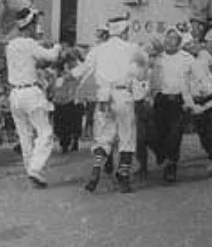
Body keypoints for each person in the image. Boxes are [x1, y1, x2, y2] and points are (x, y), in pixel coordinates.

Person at [81, 14, 148, 194]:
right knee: (126, 135)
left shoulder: (98, 49)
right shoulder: (132, 48)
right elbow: (144, 65)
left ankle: (96, 169)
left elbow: (82, 69)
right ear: (124, 30)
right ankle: (123, 176)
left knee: (104, 135)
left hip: (103, 95)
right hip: (122, 94)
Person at [5, 7, 61, 188]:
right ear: (30, 26)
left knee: (24, 135)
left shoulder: (10, 45)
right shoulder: (29, 44)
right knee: (45, 132)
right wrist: (57, 46)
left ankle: (30, 168)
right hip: (30, 92)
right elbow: (51, 57)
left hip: (14, 93)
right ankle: (35, 169)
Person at [151, 27, 198, 183]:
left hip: (178, 101)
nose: (169, 41)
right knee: (158, 134)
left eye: (173, 39)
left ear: (179, 42)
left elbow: (196, 78)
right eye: (168, 38)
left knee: (175, 134)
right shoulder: (158, 58)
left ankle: (171, 165)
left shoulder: (187, 58)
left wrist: (191, 100)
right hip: (160, 100)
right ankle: (162, 154)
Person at [186, 28, 212, 177]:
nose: (193, 46)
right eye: (189, 44)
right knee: (203, 135)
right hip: (196, 101)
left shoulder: (206, 55)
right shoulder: (185, 60)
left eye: (195, 43)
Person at [52, 49, 84, 154]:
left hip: (72, 99)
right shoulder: (58, 69)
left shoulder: (77, 68)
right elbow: (55, 82)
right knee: (64, 122)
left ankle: (73, 140)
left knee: (72, 122)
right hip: (62, 99)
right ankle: (65, 142)